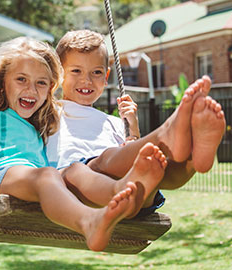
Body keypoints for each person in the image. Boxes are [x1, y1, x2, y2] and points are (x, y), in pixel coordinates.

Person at [0, 33, 169, 252]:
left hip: (34, 185)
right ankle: (89, 222)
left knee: (74, 170)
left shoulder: (43, 119)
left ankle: (120, 192)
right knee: (48, 175)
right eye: (21, 79)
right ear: (1, 80)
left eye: (41, 83)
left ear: (50, 88)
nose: (31, 89)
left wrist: (132, 129)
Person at [46, 29, 226, 217]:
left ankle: (192, 159)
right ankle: (165, 134)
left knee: (156, 165)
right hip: (81, 188)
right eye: (76, 71)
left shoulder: (115, 122)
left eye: (96, 72)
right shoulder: (50, 111)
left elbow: (131, 154)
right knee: (102, 161)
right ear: (58, 74)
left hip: (132, 196)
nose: (87, 80)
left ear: (106, 77)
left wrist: (133, 130)